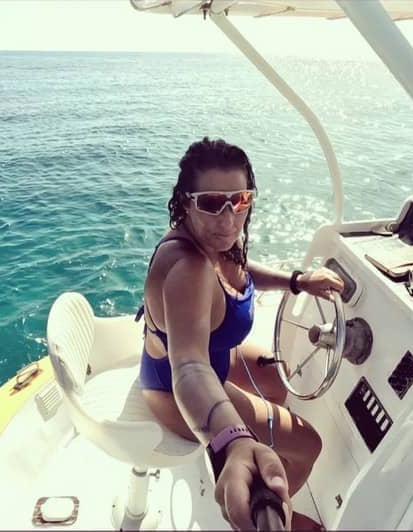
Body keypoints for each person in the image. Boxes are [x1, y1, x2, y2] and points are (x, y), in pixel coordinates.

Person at [138, 137, 344, 531]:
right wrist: (233, 440)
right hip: (171, 388)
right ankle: (270, 506)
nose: (229, 217)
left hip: (213, 354)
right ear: (186, 202)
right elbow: (190, 366)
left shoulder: (210, 238)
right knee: (308, 446)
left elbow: (240, 272)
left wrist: (298, 281)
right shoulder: (189, 269)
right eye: (212, 202)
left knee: (277, 380)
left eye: (240, 200)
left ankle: (262, 451)